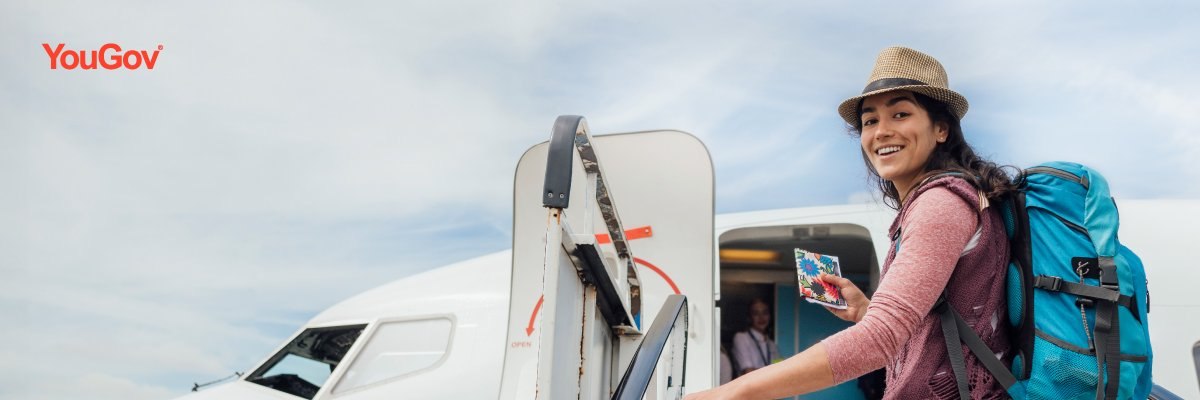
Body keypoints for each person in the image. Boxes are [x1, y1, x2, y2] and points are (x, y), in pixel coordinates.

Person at [684, 46, 1017, 399]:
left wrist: (734, 392)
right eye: (870, 121)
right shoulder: (944, 201)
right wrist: (866, 311)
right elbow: (927, 329)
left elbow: (881, 339)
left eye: (900, 114)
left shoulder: (940, 203)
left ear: (941, 129)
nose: (881, 131)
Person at [730, 299, 781, 376]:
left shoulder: (772, 344)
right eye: (756, 313)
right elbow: (748, 372)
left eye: (765, 313)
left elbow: (780, 371)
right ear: (749, 317)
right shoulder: (741, 338)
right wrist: (773, 373)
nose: (761, 317)